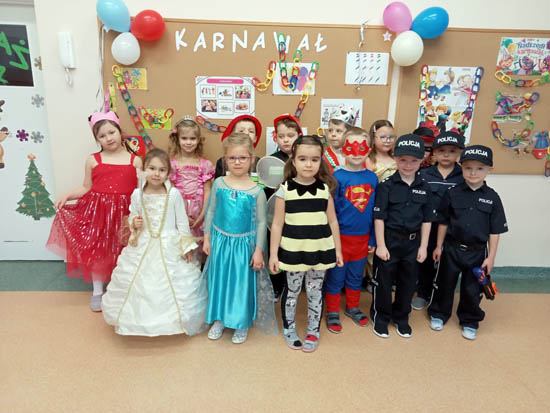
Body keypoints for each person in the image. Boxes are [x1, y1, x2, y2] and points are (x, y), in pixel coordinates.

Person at [102, 149, 207, 336]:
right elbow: (133, 215)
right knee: (139, 281)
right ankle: (136, 319)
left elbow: (182, 223)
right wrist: (134, 223)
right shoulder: (137, 194)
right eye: (152, 168)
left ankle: (176, 321)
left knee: (171, 282)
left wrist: (186, 246)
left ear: (168, 173)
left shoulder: (173, 194)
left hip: (169, 244)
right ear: (143, 170)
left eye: (162, 170)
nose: (156, 174)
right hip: (144, 243)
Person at [46, 111, 141, 311]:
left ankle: (122, 288)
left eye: (111, 132)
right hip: (99, 213)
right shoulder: (93, 160)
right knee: (99, 251)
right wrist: (68, 196)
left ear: (119, 131)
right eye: (102, 136)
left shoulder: (135, 160)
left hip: (125, 214)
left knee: (125, 250)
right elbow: (86, 187)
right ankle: (98, 291)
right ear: (97, 139)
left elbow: (140, 191)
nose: (108, 138)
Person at [270, 135, 343, 353]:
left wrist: (338, 250)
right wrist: (273, 254)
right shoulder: (285, 190)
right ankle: (289, 327)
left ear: (321, 161)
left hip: (319, 252)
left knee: (315, 292)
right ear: (293, 161)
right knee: (292, 291)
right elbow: (277, 224)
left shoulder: (324, 190)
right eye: (302, 159)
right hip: (293, 252)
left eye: (314, 159)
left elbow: (332, 221)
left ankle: (313, 330)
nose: (308, 164)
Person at [203, 133, 278, 344]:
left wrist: (258, 250)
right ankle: (219, 318)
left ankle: (241, 322)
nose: (237, 162)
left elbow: (261, 222)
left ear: (251, 159)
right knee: (219, 280)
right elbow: (211, 211)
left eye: (242, 158)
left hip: (244, 246)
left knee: (240, 284)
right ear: (225, 159)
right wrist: (207, 237)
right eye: (232, 158)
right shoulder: (219, 184)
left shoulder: (257, 191)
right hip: (220, 242)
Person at [428, 145, 508, 340]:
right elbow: (443, 222)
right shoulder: (452, 193)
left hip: (477, 252)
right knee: (444, 283)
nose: (473, 173)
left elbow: (495, 231)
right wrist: (438, 246)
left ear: (489, 169)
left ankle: (470, 320)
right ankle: (439, 313)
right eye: (468, 168)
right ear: (461, 167)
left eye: (480, 168)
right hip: (451, 249)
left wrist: (491, 258)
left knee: (472, 289)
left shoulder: (493, 198)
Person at [370, 134, 436, 339]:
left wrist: (423, 247)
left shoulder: (426, 188)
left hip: (413, 244)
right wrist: (381, 245)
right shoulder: (386, 186)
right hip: (389, 241)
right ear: (395, 159)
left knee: (408, 284)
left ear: (422, 160)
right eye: (403, 160)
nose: (408, 165)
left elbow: (427, 220)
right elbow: (379, 217)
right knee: (383, 282)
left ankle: (401, 317)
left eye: (414, 161)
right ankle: (381, 317)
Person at [325, 127, 377, 333]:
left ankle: (353, 307)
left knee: (356, 276)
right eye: (351, 147)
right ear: (343, 149)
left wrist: (373, 238)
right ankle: (332, 311)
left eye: (361, 148)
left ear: (369, 150)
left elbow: (375, 211)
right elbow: (331, 212)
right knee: (336, 277)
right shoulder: (337, 177)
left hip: (362, 239)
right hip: (340, 239)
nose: (356, 153)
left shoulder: (372, 178)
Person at [413, 131, 465, 311]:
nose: (446, 155)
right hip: (427, 226)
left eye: (452, 151)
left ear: (459, 152)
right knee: (425, 261)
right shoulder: (424, 174)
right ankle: (422, 293)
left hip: (452, 228)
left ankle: (441, 296)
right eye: (441, 150)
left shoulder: (463, 175)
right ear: (434, 152)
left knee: (447, 263)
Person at [264, 114, 303, 300]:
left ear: (299, 136)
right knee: (276, 249)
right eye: (281, 136)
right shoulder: (270, 161)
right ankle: (276, 285)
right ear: (275, 138)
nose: (286, 140)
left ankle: (294, 285)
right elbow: (267, 188)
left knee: (295, 249)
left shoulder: (303, 159)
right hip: (276, 214)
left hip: (298, 213)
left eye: (290, 135)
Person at [168, 117, 215, 262]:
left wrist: (202, 215)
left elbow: (208, 191)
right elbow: (171, 192)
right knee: (180, 251)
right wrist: (181, 216)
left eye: (192, 138)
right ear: (177, 139)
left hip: (199, 210)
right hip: (179, 209)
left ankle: (197, 273)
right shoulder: (172, 165)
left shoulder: (205, 165)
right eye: (184, 138)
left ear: (198, 140)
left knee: (198, 252)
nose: (188, 142)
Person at [364, 119, 397, 290]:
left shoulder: (396, 159)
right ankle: (372, 278)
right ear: (373, 137)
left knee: (390, 243)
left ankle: (389, 278)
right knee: (373, 243)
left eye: (391, 137)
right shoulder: (369, 160)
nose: (387, 140)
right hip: (374, 207)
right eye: (383, 137)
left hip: (394, 209)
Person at [214, 115, 262, 179]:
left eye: (251, 131)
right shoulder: (222, 163)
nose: (246, 133)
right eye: (241, 131)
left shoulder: (261, 163)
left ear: (255, 138)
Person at [322, 105, 358, 173]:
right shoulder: (323, 157)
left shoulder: (357, 157)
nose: (333, 134)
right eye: (330, 130)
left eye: (338, 131)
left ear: (349, 133)